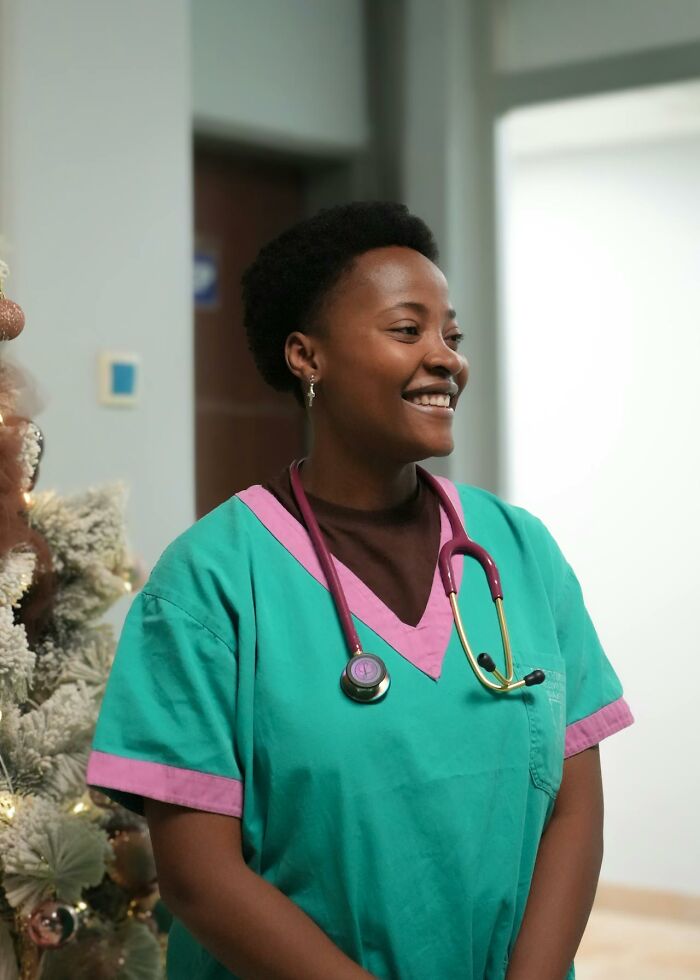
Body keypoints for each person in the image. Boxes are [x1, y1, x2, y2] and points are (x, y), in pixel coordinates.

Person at [86, 201, 633, 980]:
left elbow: (574, 810)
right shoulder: (210, 583)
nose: (446, 358)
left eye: (452, 334)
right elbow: (201, 880)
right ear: (308, 357)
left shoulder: (519, 553)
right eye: (408, 331)